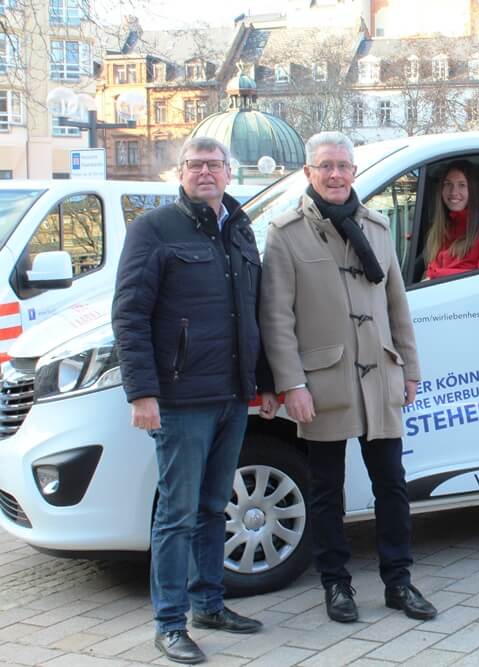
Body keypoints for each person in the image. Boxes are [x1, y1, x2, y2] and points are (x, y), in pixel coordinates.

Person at [112, 136, 278, 665]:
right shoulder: (154, 229)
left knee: (213, 507)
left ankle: (209, 604)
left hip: (232, 395)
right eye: (195, 165)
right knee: (177, 514)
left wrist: (265, 382)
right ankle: (169, 623)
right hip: (181, 399)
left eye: (214, 165)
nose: (206, 172)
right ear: (180, 173)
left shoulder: (240, 228)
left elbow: (255, 312)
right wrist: (142, 392)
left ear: (229, 173)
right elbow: (130, 315)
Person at [260, 131, 436, 624]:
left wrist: (410, 369)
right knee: (325, 492)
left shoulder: (377, 227)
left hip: (380, 375)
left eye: (343, 166)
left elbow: (397, 305)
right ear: (308, 173)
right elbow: (276, 317)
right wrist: (292, 384)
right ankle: (336, 585)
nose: (335, 174)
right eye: (326, 166)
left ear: (354, 172)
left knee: (392, 486)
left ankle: (399, 581)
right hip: (323, 383)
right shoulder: (286, 232)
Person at [423, 160, 479, 280]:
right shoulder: (442, 228)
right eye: (448, 184)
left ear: (474, 190)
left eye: (462, 185)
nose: (453, 192)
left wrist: (434, 275)